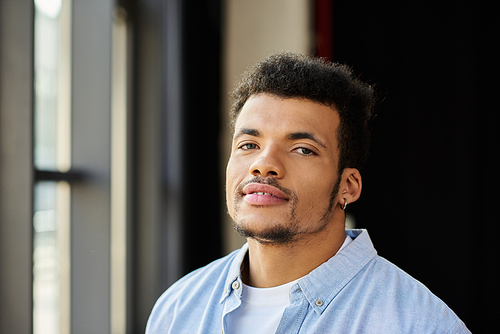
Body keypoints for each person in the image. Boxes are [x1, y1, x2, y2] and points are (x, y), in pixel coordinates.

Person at [146, 52, 470, 333]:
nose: (263, 165)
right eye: (248, 145)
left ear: (348, 186)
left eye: (302, 149)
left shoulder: (418, 325)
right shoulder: (178, 308)